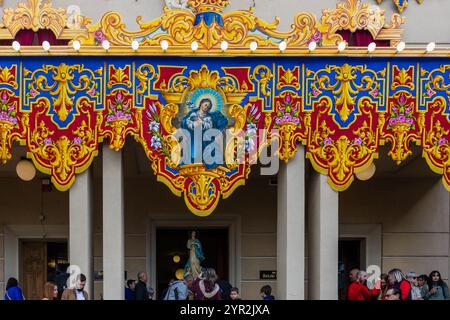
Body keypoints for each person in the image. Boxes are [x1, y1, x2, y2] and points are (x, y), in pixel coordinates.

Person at [180, 97, 228, 169]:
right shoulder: (193, 113)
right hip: (193, 136)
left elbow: (210, 126)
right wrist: (193, 124)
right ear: (201, 104)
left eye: (209, 106)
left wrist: (202, 123)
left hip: (205, 138)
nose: (207, 107)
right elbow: (185, 122)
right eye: (205, 105)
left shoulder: (209, 117)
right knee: (192, 153)